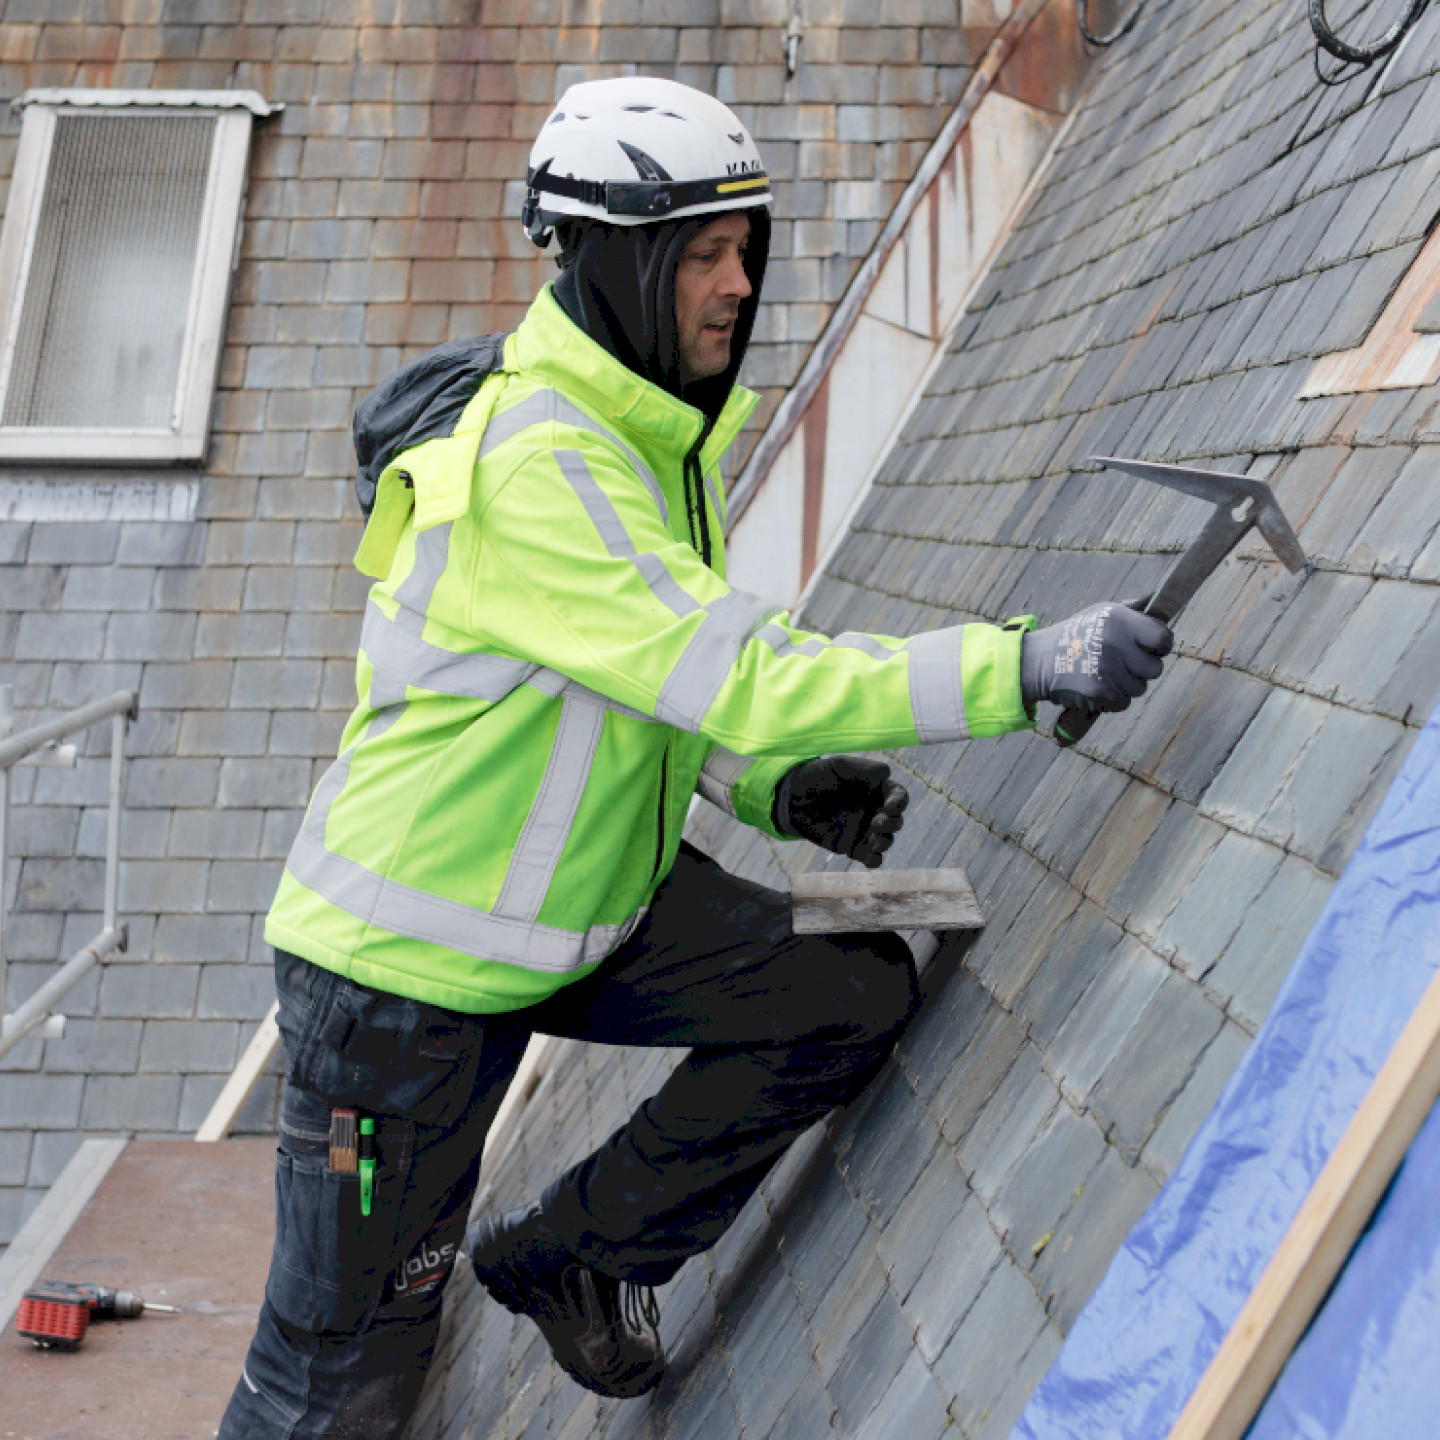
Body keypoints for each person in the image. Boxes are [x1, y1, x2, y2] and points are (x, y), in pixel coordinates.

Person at [219, 76, 1172, 1438]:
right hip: (404, 988)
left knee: (837, 994)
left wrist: (768, 783)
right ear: (614, 258)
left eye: (746, 251)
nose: (736, 286)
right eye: (703, 256)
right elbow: (747, 671)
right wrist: (1023, 664)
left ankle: (576, 1252)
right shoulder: (541, 468)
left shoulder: (643, 433)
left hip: (568, 912)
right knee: (342, 1383)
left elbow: (648, 688)